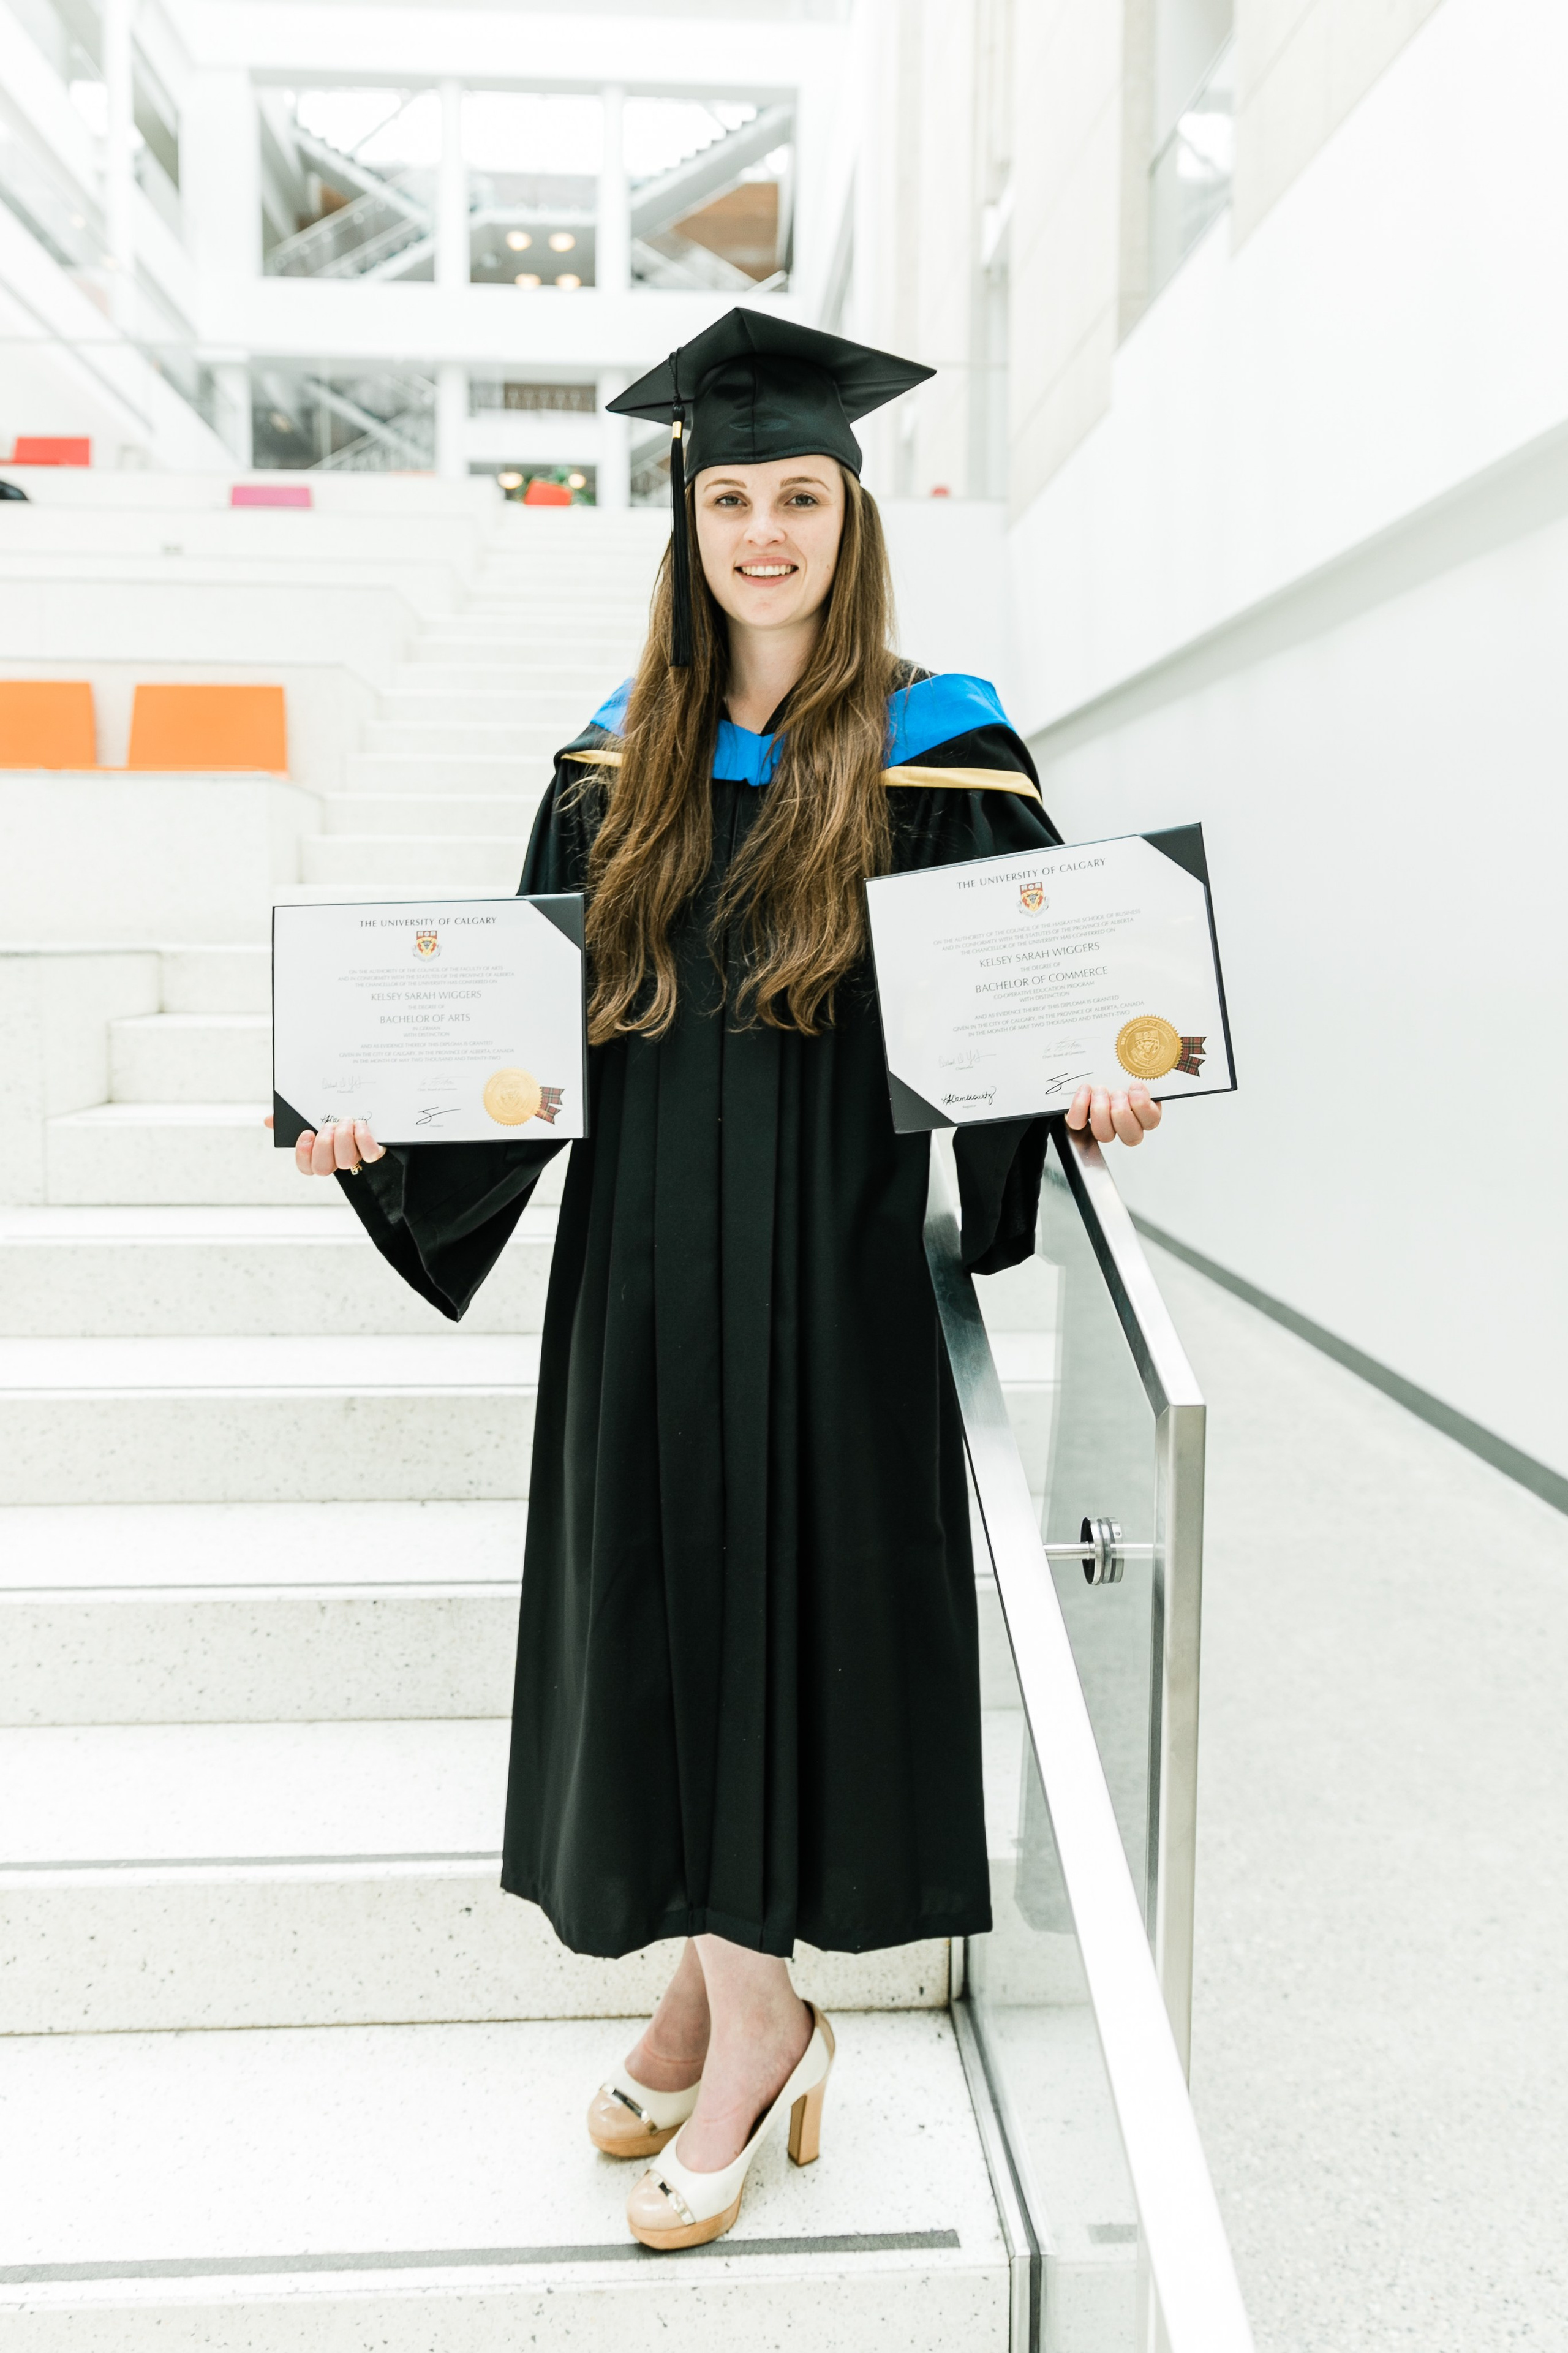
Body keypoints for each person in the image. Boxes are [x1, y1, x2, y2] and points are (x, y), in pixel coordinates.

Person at [269, 311, 1161, 2251]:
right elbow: (517, 1027)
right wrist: (382, 1128)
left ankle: (755, 2026)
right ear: (688, 520)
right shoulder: (619, 760)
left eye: (799, 496)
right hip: (647, 1284)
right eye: (731, 495)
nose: (764, 529)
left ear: (855, 516)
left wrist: (1095, 1083)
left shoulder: (949, 754)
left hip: (833, 1292)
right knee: (665, 1620)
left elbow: (1036, 1013)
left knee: (780, 1622)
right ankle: (719, 1984)